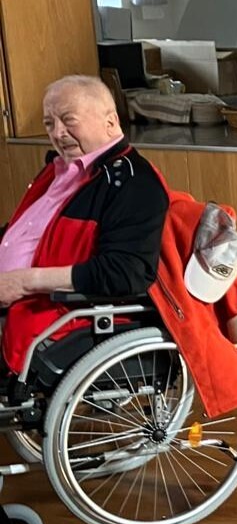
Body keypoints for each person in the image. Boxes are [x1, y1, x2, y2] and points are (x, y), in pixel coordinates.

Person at [0, 75, 168, 372]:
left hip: (52, 313)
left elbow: (125, 272)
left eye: (69, 120)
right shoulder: (60, 170)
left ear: (110, 122)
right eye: (49, 123)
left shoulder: (131, 183)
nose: (58, 133)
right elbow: (26, 232)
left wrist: (24, 281)